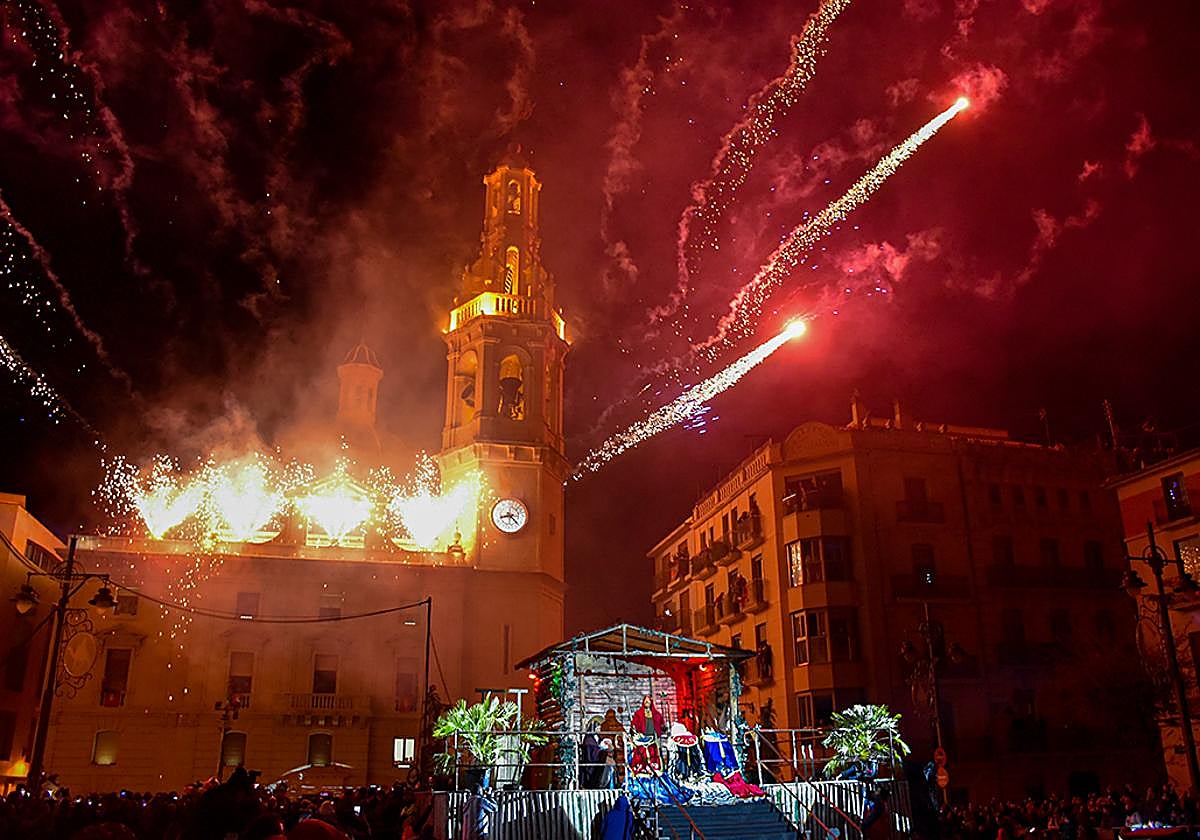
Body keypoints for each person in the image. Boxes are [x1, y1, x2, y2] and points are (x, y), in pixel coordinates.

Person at [629, 695, 666, 775]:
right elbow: (634, 724)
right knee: (641, 754)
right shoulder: (638, 714)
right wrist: (634, 729)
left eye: (648, 701)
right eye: (645, 701)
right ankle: (641, 768)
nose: (647, 703)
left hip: (653, 737)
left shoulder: (656, 714)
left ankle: (653, 767)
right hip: (642, 737)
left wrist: (662, 727)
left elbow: (661, 723)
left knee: (653, 752)